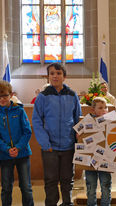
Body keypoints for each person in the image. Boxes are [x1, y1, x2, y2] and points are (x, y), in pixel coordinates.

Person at [32, 63, 82, 206]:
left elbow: (77, 119)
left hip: (68, 145)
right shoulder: (43, 96)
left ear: (64, 76)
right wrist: (44, 143)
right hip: (50, 147)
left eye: (58, 73)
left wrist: (76, 138)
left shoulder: (72, 95)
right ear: (48, 77)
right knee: (51, 179)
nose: (55, 76)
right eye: (52, 73)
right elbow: (36, 120)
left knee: (67, 179)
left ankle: (67, 203)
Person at [0, 80, 34, 206]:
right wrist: (7, 149)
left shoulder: (19, 111)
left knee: (26, 187)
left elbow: (27, 132)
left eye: (5, 96)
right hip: (4, 155)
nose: (2, 99)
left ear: (11, 95)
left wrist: (18, 147)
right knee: (6, 187)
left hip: (22, 154)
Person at [85, 97, 112, 206]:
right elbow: (79, 136)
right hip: (90, 161)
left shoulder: (111, 122)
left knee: (105, 186)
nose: (104, 110)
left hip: (105, 160)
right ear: (93, 110)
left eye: (105, 107)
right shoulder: (86, 121)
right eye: (100, 108)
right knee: (91, 187)